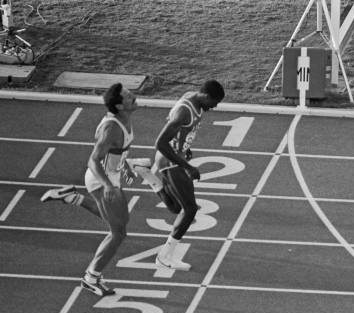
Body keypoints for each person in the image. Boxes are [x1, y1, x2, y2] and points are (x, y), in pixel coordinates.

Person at [40, 83, 138, 296]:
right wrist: (108, 185)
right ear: (120, 106)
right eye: (129, 97)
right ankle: (91, 277)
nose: (134, 98)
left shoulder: (123, 118)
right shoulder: (111, 127)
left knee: (118, 221)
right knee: (118, 232)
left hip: (110, 177)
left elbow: (118, 150)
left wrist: (126, 167)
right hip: (100, 180)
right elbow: (94, 160)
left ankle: (72, 198)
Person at [128, 80, 225, 271]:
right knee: (190, 210)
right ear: (205, 95)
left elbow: (181, 132)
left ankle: (144, 172)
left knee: (176, 208)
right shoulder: (185, 111)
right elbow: (160, 143)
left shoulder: (193, 99)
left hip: (173, 158)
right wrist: (187, 166)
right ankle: (164, 257)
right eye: (214, 102)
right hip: (170, 161)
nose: (215, 106)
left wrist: (185, 147)